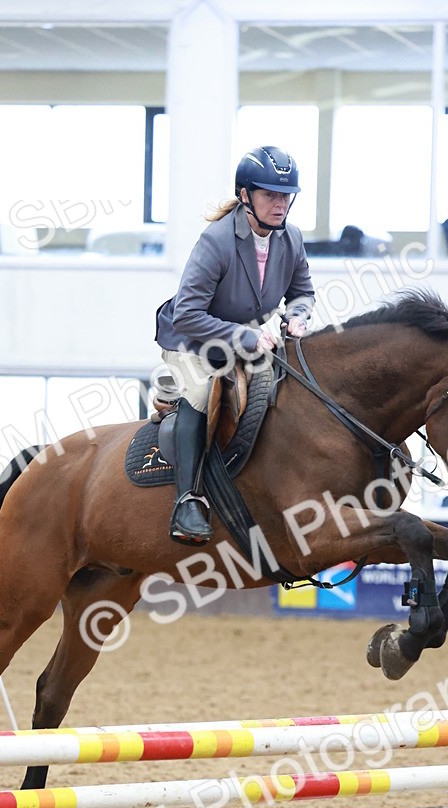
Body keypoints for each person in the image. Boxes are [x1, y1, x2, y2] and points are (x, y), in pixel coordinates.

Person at [155, 145, 315, 544]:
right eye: (270, 195)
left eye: (286, 196)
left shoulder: (291, 238)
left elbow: (303, 292)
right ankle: (187, 501)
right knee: (200, 392)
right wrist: (246, 336)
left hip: (249, 335)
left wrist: (297, 316)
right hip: (192, 339)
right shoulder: (216, 241)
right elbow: (187, 314)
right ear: (245, 195)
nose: (280, 204)